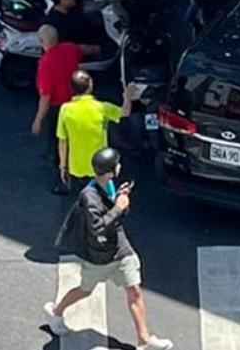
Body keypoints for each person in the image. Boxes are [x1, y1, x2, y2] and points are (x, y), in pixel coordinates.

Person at [46, 148, 172, 350]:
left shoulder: (109, 185)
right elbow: (97, 227)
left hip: (119, 249)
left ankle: (144, 339)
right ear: (111, 170)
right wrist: (119, 207)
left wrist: (121, 199)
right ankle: (57, 312)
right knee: (84, 290)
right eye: (117, 164)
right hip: (98, 256)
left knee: (134, 290)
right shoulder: (89, 196)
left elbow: (115, 216)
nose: (120, 166)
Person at [32, 26, 96, 193]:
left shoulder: (46, 63)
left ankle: (65, 181)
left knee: (60, 144)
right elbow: (84, 49)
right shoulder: (69, 49)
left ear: (41, 42)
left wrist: (38, 120)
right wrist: (98, 48)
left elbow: (45, 97)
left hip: (59, 110)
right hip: (77, 102)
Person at [57, 71, 134, 195]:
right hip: (100, 166)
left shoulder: (65, 109)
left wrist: (62, 165)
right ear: (90, 86)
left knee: (84, 202)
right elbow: (124, 113)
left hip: (77, 167)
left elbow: (62, 140)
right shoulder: (102, 108)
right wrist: (128, 96)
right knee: (107, 200)